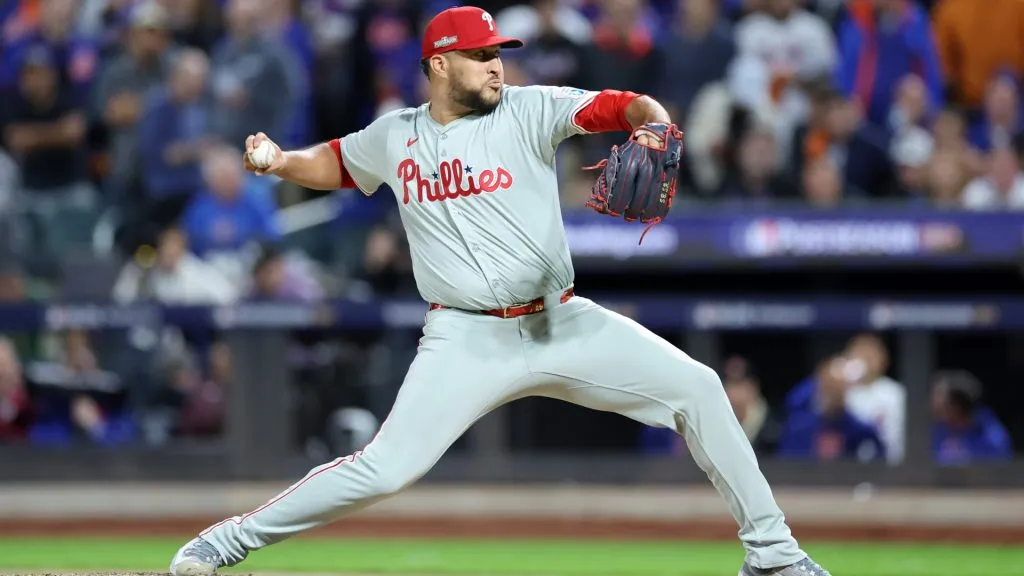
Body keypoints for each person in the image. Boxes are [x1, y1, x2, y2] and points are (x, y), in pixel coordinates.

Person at [168, 7, 831, 576]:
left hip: (562, 322)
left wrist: (652, 124)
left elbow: (619, 105)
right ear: (438, 65)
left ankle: (771, 552)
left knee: (699, 388)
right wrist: (282, 161)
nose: (495, 65)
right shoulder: (395, 135)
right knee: (385, 469)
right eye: (479, 55)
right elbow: (339, 163)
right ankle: (223, 541)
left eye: (498, 53)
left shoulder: (530, 109)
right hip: (465, 337)